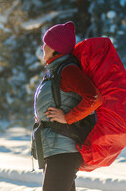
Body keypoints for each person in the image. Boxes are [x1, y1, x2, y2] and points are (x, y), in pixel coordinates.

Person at [33, 21, 103, 191]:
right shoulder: (55, 70)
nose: (43, 47)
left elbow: (94, 97)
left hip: (63, 151)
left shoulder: (67, 70)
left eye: (46, 43)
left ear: (57, 48)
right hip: (56, 149)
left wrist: (67, 117)